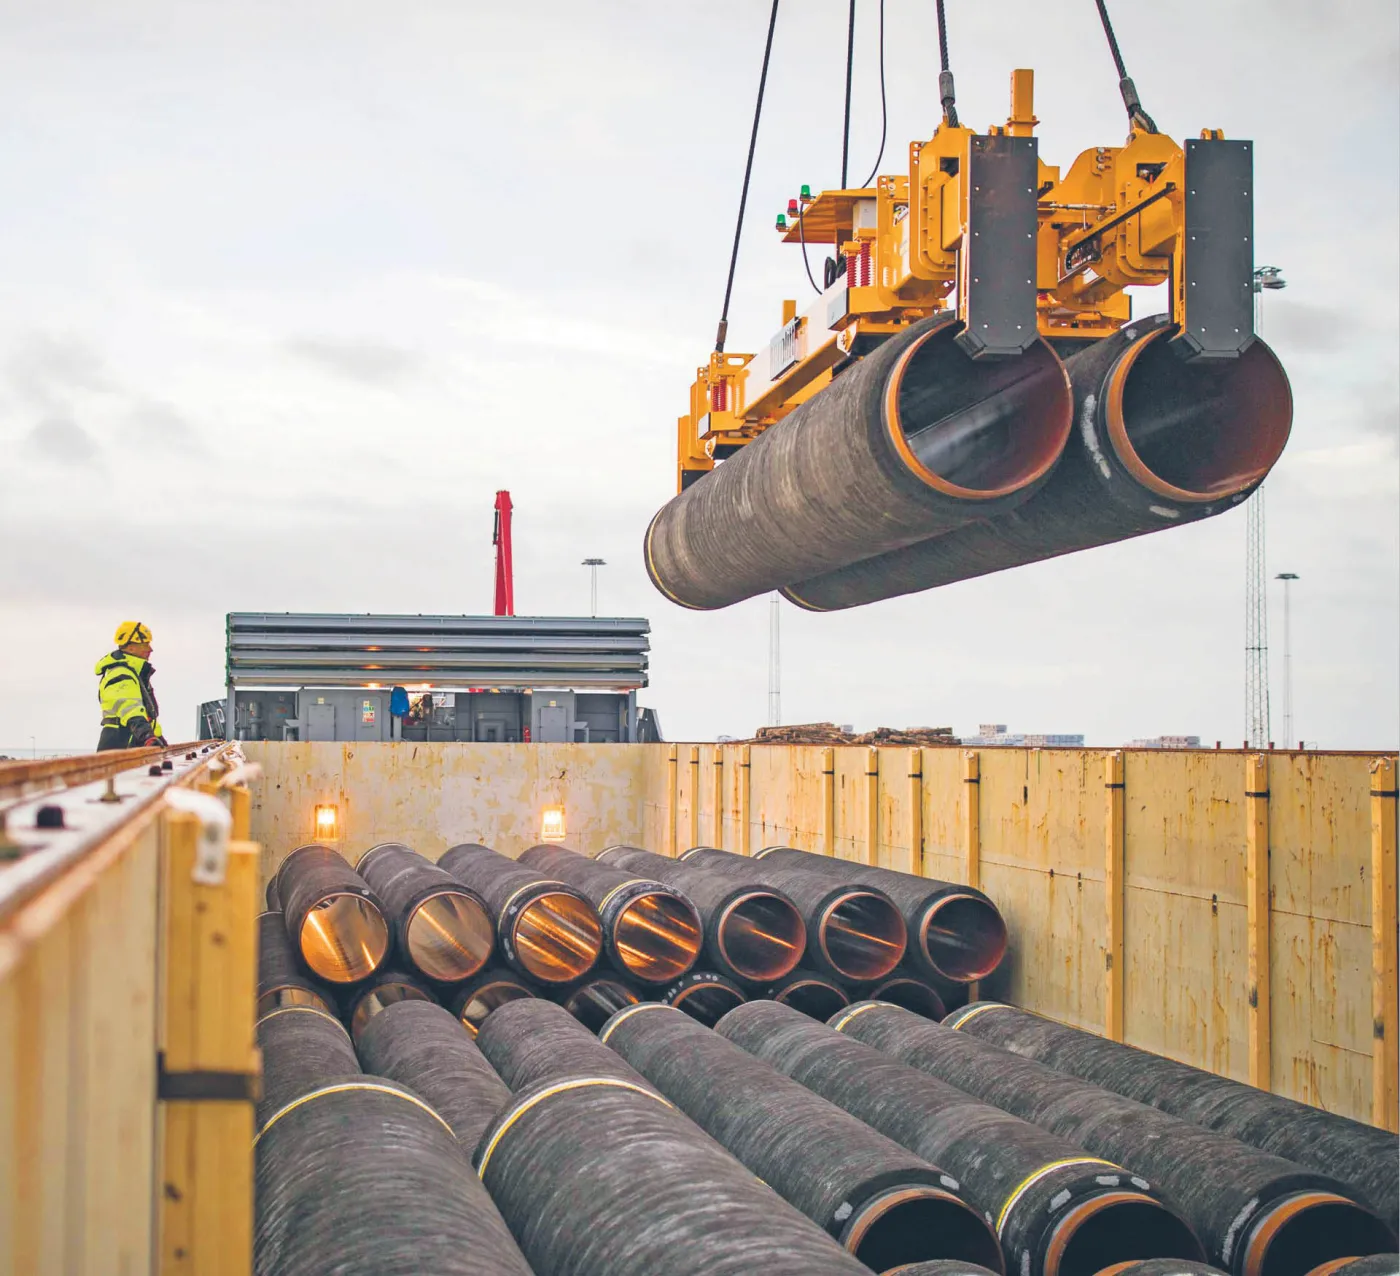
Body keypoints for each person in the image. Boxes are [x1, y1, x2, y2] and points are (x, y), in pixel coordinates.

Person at [96, 621, 166, 750]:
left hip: (130, 744)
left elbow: (146, 715)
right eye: (145, 644)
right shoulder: (120, 674)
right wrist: (148, 737)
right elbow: (130, 709)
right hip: (120, 746)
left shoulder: (135, 674)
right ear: (131, 647)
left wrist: (158, 737)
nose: (150, 649)